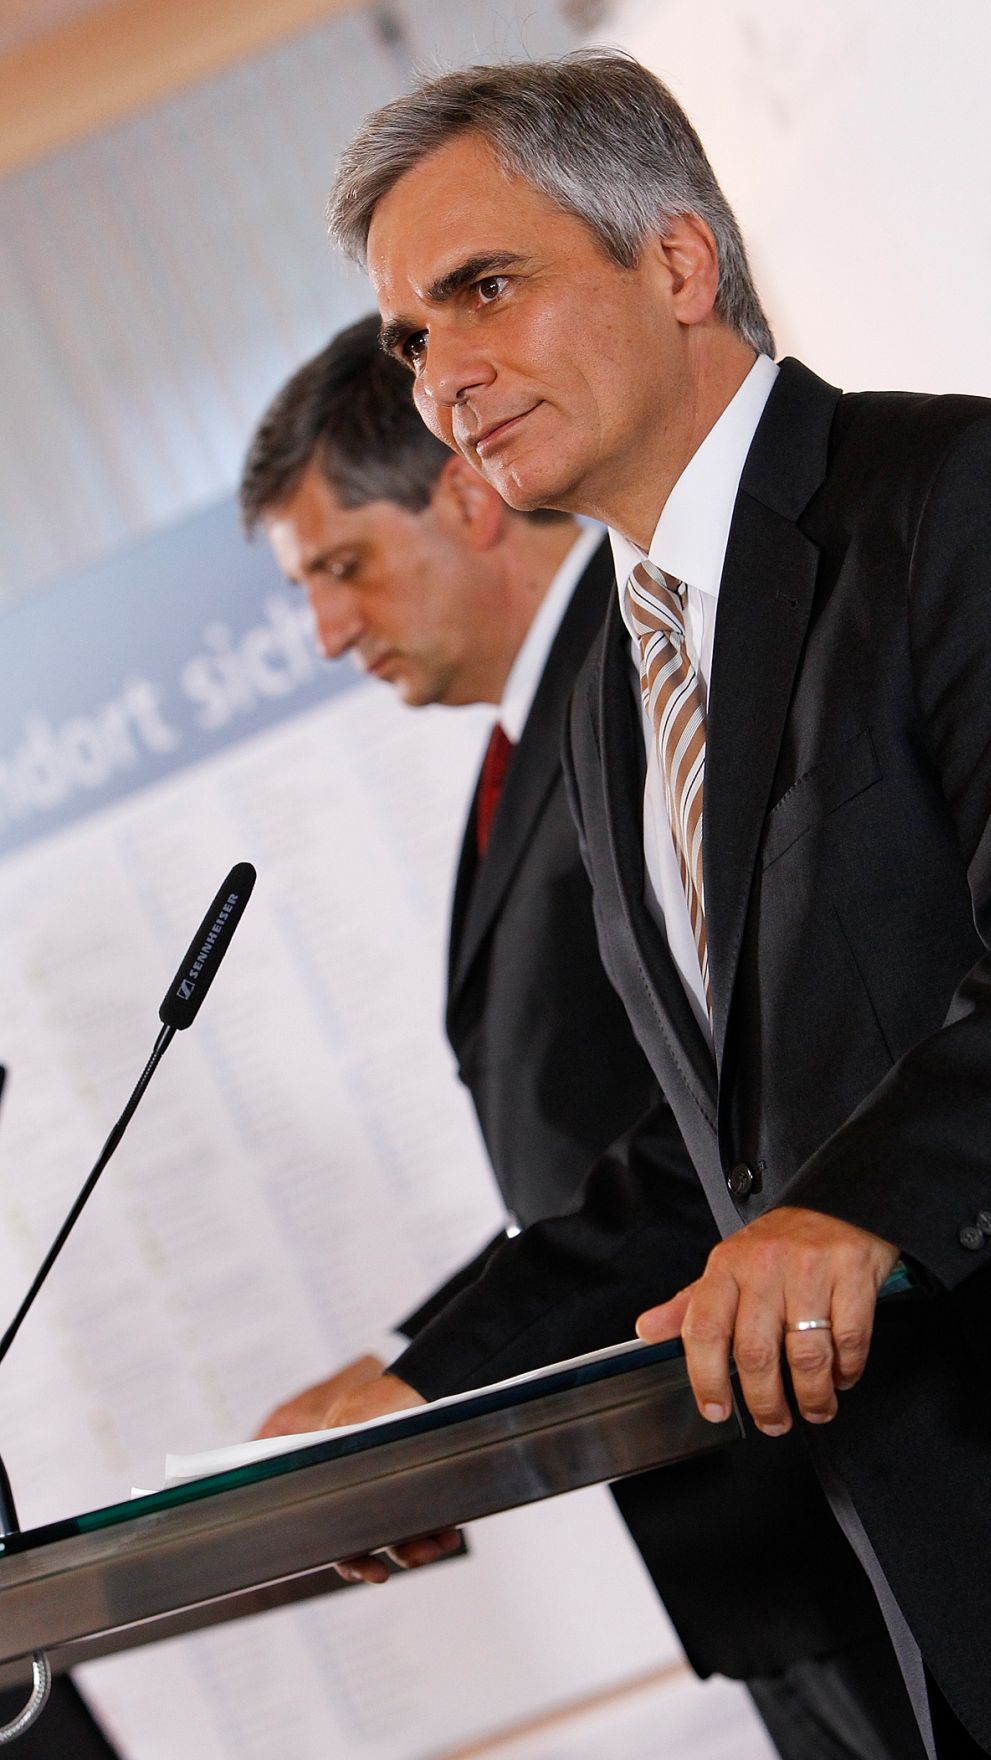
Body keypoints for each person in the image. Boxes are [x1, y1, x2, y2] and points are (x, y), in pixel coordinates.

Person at [322, 49, 991, 1760]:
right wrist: (431, 1392)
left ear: (675, 261)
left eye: (484, 288)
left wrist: (860, 1209)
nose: (444, 377)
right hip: (964, 1620)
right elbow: (716, 1148)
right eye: (411, 339)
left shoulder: (954, 492)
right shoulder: (612, 687)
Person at [240, 317, 923, 1760]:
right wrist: (409, 1376)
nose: (329, 635)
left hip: (855, 1491)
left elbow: (713, 1127)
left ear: (466, 498)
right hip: (749, 1524)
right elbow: (594, 1158)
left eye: (342, 567)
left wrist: (433, 1387)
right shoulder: (546, 738)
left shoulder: (647, 686)